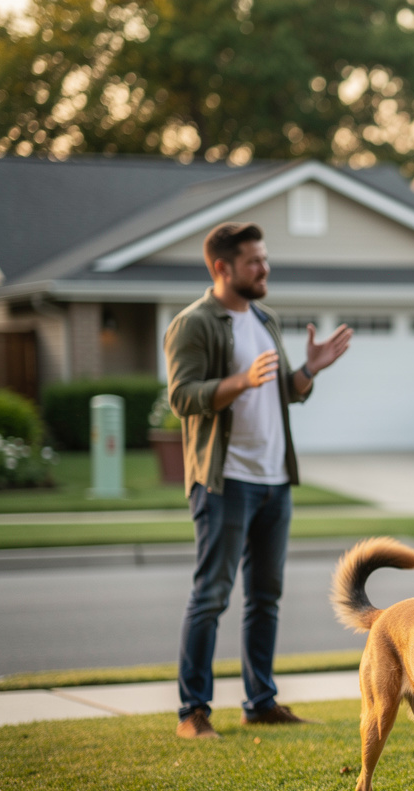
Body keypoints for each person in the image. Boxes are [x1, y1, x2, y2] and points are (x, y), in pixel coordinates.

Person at [165, 222, 352, 739]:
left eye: (265, 259)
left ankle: (260, 701)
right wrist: (239, 381)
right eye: (254, 262)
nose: (265, 269)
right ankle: (193, 712)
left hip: (274, 480)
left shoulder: (264, 319)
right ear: (222, 267)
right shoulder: (194, 324)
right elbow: (182, 397)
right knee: (212, 595)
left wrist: (309, 371)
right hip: (224, 481)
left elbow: (282, 392)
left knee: (265, 597)